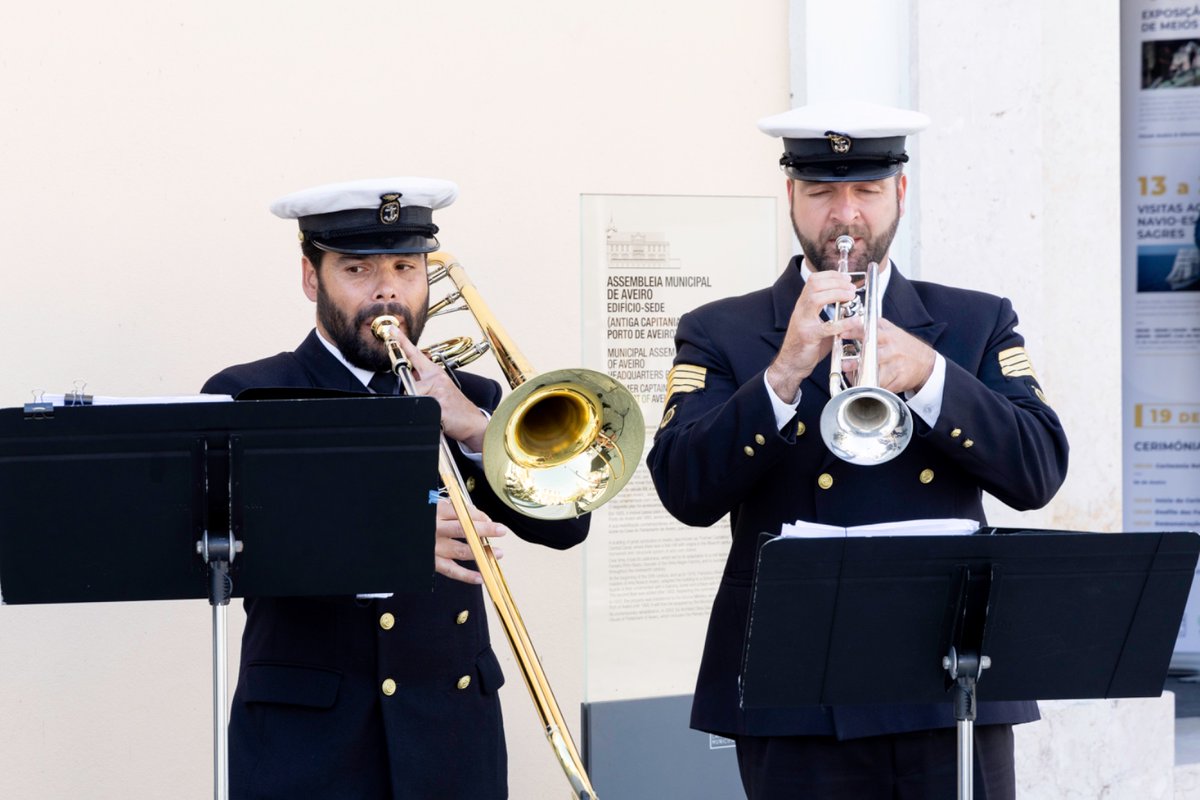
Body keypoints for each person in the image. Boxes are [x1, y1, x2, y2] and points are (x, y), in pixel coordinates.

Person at [646, 102, 1069, 799]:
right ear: (791, 197)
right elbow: (683, 491)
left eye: (866, 191)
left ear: (900, 193)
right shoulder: (721, 330)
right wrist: (781, 374)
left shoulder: (974, 320)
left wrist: (934, 378)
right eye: (821, 193)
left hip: (951, 684)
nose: (845, 217)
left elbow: (1040, 471)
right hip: (795, 693)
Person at [202, 177, 589, 800]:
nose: (387, 288)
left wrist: (474, 430)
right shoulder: (251, 396)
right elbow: (223, 550)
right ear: (312, 278)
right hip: (308, 745)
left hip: (453, 735)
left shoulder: (479, 399)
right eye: (358, 268)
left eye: (407, 267)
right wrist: (388, 544)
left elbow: (568, 526)